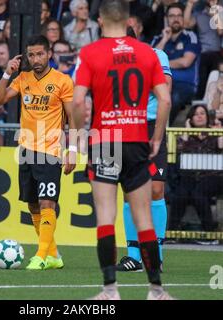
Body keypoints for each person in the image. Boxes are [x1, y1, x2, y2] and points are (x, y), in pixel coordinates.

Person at [72, 0, 173, 300]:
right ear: (129, 21)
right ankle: (156, 290)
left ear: (100, 21)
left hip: (105, 141)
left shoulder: (90, 53)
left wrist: (79, 134)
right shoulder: (148, 53)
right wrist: (156, 137)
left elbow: (78, 101)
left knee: (106, 215)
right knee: (143, 216)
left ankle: (109, 290)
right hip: (136, 138)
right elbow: (165, 100)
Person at [0, 35, 76, 270]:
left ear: (49, 53)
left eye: (40, 54)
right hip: (27, 151)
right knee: (33, 205)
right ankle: (53, 255)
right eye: (31, 55)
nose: (36, 59)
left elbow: (74, 118)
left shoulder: (62, 81)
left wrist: (73, 150)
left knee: (47, 202)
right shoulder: (23, 79)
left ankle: (40, 256)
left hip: (51, 150)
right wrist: (7, 74)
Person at [117, 42, 172, 272]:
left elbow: (165, 92)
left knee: (156, 189)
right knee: (130, 192)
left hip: (151, 126)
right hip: (125, 127)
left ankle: (155, 256)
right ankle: (134, 256)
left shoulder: (158, 56)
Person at [168, 103, 223, 232]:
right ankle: (172, 232)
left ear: (207, 117)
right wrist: (187, 131)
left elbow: (221, 146)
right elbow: (178, 149)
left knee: (198, 193)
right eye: (195, 114)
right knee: (179, 194)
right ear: (190, 119)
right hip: (190, 176)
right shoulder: (186, 135)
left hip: (212, 176)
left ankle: (209, 233)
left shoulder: (214, 131)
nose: (199, 116)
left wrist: (220, 130)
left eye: (202, 113)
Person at [152, 3, 201, 125]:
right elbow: (151, 59)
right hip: (160, 83)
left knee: (172, 98)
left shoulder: (190, 37)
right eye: (172, 16)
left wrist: (161, 63)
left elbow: (186, 62)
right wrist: (164, 40)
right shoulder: (158, 38)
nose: (176, 19)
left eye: (179, 16)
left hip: (184, 85)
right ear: (166, 18)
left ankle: (162, 131)